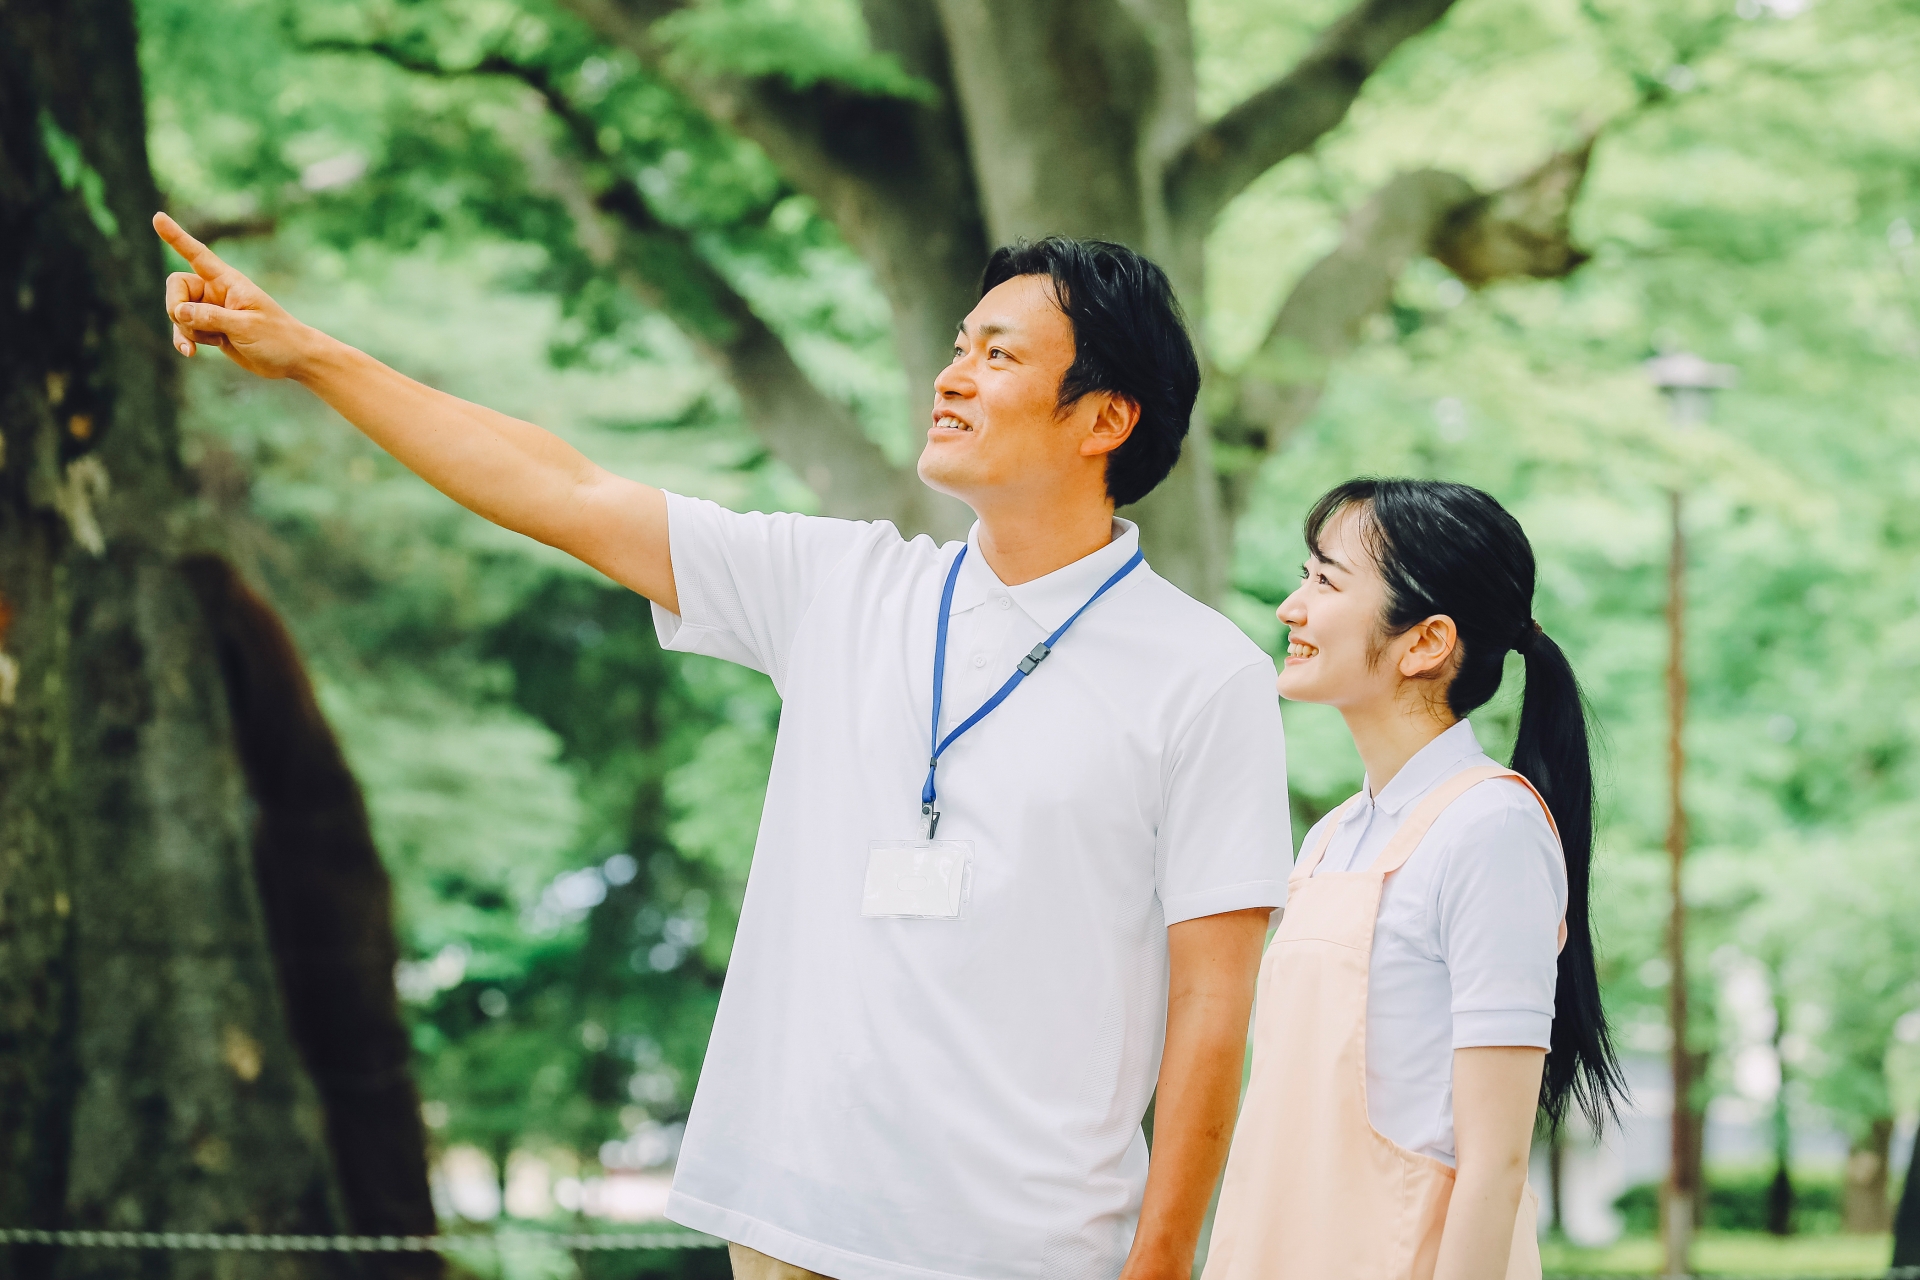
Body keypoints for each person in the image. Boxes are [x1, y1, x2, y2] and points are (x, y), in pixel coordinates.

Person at [152, 215, 1292, 1280]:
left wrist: (1158, 1268)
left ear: (1105, 419)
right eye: (958, 346)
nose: (950, 378)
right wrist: (311, 356)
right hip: (786, 1226)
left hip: (1025, 1250)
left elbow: (1214, 1007)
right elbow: (563, 487)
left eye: (998, 356)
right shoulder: (841, 585)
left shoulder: (1206, 678)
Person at [1203, 479, 1624, 1280]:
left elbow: (1495, 1165)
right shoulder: (1332, 837)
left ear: (1426, 642)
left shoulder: (1490, 828)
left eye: (1327, 582)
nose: (1292, 608)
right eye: (1304, 576)